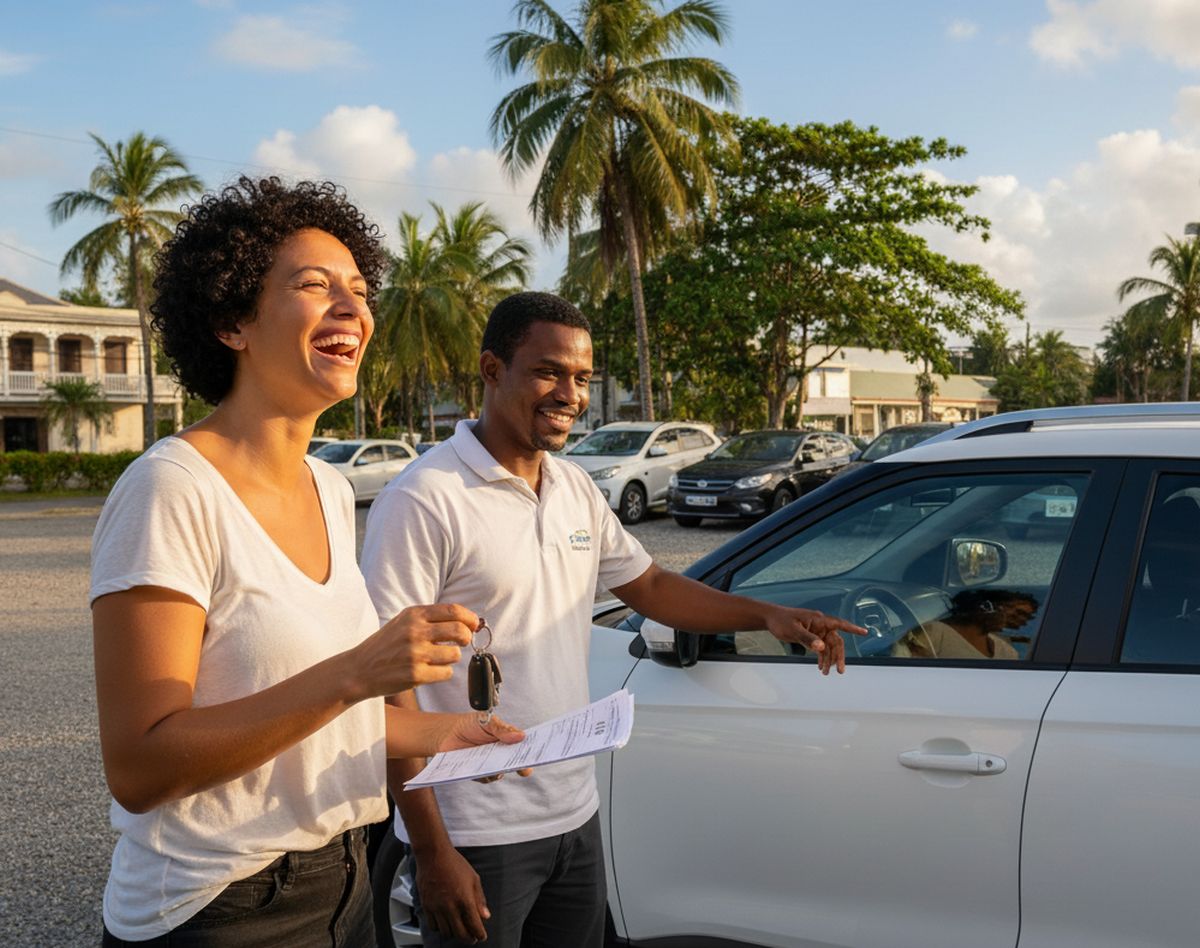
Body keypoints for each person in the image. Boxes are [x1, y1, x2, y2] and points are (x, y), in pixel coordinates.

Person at [91, 177, 524, 947]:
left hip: (345, 882)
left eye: (359, 290)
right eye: (315, 285)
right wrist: (358, 671)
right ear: (232, 322)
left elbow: (313, 717)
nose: (353, 308)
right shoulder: (171, 488)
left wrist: (446, 733)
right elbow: (140, 766)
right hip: (218, 908)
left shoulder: (328, 486)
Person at [360, 291, 864, 948]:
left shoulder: (572, 487)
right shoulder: (424, 498)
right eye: (548, 372)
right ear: (491, 370)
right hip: (473, 828)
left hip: (572, 813)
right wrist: (431, 850)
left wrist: (766, 615)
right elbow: (385, 687)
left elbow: (649, 585)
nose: (569, 394)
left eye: (581, 378)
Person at [894, 589, 1037, 660]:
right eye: (1017, 612)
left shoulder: (1007, 652)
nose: (1021, 620)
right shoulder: (935, 633)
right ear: (985, 607)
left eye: (1027, 617)